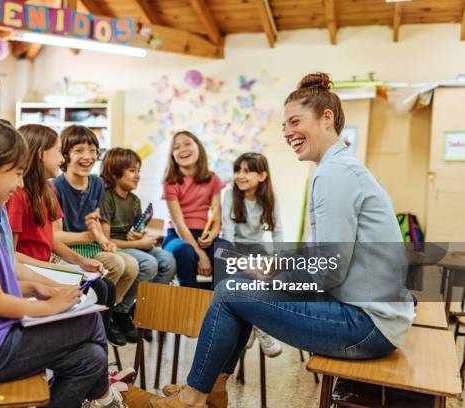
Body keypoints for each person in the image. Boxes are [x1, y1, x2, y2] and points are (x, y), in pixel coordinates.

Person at [150, 73, 414, 408]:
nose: (287, 133)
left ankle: (195, 395)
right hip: (366, 312)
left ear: (327, 118)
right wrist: (277, 266)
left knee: (230, 292)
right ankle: (211, 389)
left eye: (295, 121)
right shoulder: (337, 169)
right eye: (284, 125)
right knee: (237, 287)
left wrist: (278, 272)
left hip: (366, 325)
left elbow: (330, 269)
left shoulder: (336, 175)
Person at [0, 118, 126, 408]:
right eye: (17, 173)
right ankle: (105, 400)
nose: (20, 183)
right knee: (89, 318)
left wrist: (35, 287)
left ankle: (102, 396)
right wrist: (47, 307)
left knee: (91, 359)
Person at [5, 124, 120, 345]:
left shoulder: (47, 189)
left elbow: (51, 239)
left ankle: (97, 357)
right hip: (29, 269)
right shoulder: (18, 195)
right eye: (58, 152)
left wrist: (81, 262)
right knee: (97, 288)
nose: (62, 159)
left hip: (45, 264)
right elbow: (12, 254)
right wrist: (59, 269)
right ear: (40, 154)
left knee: (107, 286)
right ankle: (85, 354)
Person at [52, 125, 139, 344]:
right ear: (65, 155)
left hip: (91, 246)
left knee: (132, 266)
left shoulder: (97, 183)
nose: (87, 156)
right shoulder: (56, 187)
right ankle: (93, 317)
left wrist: (102, 240)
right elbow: (57, 236)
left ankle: (107, 315)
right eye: (79, 150)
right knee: (116, 264)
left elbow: (95, 220)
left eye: (92, 150)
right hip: (69, 250)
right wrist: (90, 237)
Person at [100, 147, 176, 342]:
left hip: (130, 244)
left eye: (138, 171)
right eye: (132, 171)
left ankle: (139, 309)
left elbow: (134, 232)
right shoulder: (106, 197)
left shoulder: (134, 200)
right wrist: (140, 243)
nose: (138, 176)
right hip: (115, 246)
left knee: (167, 261)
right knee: (149, 263)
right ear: (115, 172)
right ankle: (120, 312)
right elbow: (106, 241)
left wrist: (139, 236)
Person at [221, 152, 283, 357]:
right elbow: (227, 232)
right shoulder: (230, 194)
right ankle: (260, 327)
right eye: (238, 170)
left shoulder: (270, 198)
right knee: (246, 274)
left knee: (267, 275)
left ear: (262, 176)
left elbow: (278, 231)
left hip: (257, 247)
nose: (240, 175)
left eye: (247, 171)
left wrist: (278, 258)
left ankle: (250, 325)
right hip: (234, 247)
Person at [162, 131, 228, 289]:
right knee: (185, 251)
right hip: (177, 236)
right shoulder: (170, 182)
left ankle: (217, 301)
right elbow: (179, 225)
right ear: (173, 155)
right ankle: (190, 300)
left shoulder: (213, 179)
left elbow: (217, 219)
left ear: (198, 147)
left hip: (204, 235)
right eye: (176, 147)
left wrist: (211, 236)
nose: (182, 149)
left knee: (226, 250)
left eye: (187, 143)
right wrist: (200, 253)